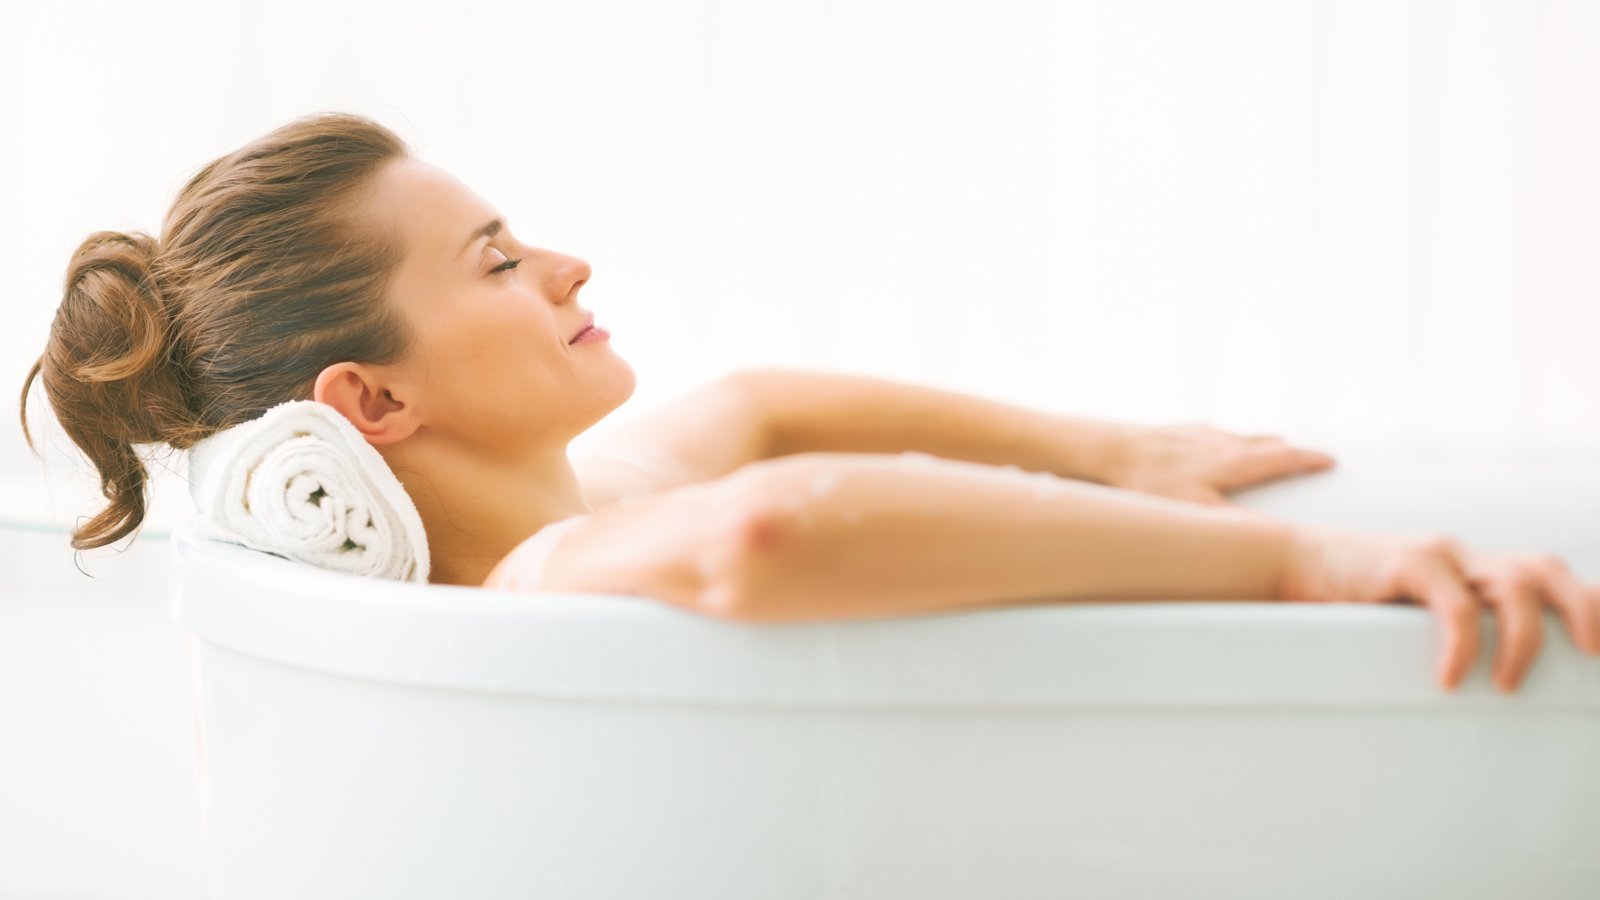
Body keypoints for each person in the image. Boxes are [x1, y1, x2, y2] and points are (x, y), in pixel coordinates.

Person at [21, 113, 1599, 694]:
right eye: (498, 260)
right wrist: (1311, 570)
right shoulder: (541, 585)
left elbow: (765, 412)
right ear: (370, 401)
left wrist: (1113, 446)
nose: (566, 265)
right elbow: (773, 525)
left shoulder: (603, 496)